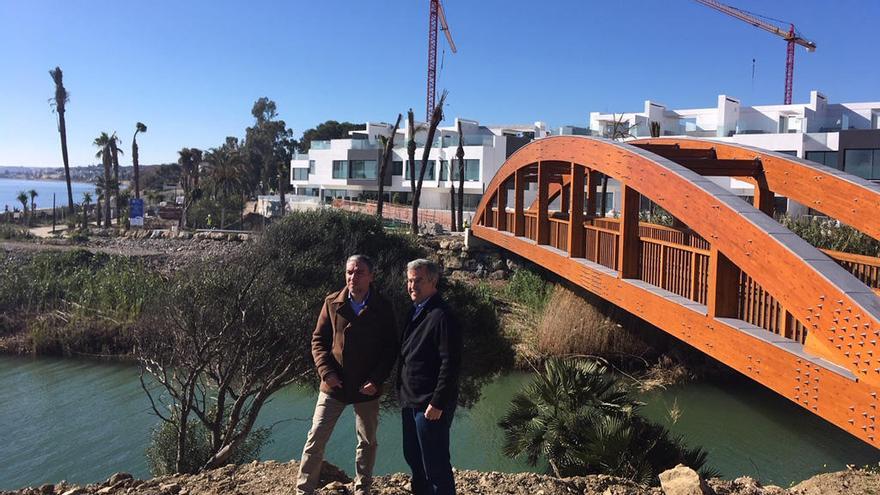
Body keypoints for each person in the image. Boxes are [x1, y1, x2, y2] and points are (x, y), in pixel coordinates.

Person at [295, 254, 398, 495]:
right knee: (316, 438)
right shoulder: (332, 302)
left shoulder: (382, 307)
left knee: (367, 442)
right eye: (350, 272)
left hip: (367, 388)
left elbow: (390, 347)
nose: (353, 277)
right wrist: (326, 372)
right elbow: (318, 340)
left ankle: (363, 488)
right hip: (334, 384)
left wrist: (376, 379)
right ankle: (304, 490)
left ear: (371, 276)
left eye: (359, 272)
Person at [398, 259, 462, 495]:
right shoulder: (415, 311)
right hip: (410, 401)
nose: (412, 286)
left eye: (418, 280)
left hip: (429, 406)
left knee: (435, 466)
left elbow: (450, 363)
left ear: (433, 282)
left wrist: (437, 403)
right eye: (409, 280)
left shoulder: (442, 316)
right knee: (415, 461)